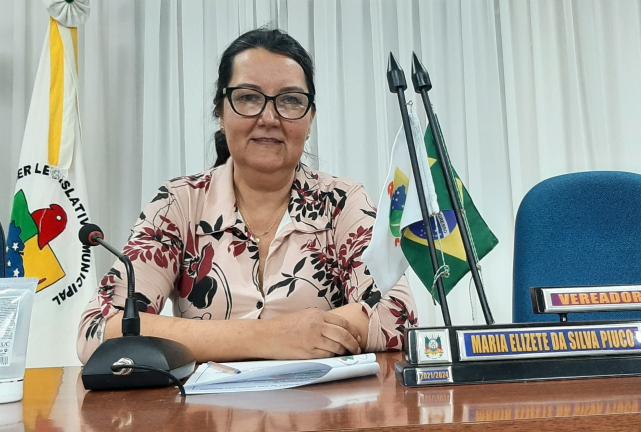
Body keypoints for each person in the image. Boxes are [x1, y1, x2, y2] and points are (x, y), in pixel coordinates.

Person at [76, 28, 417, 364]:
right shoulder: (179, 204)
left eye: (290, 100)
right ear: (220, 113)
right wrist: (274, 337)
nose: (269, 118)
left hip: (324, 401)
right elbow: (99, 330)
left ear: (310, 118)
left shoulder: (342, 202)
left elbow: (397, 313)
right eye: (249, 98)